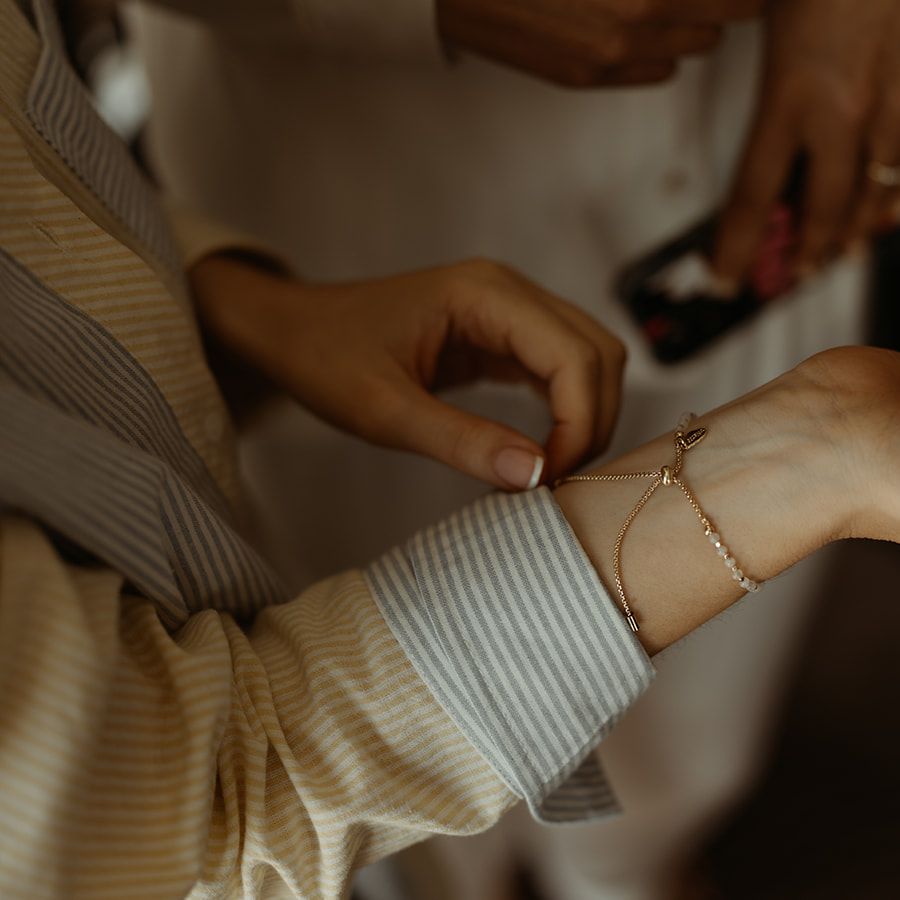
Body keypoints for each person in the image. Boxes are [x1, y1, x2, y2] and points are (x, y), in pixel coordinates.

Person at [3, 2, 900, 899]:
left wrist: (230, 303)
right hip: (349, 201)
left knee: (689, 748)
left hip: (720, 206)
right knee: (419, 855)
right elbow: (196, 814)